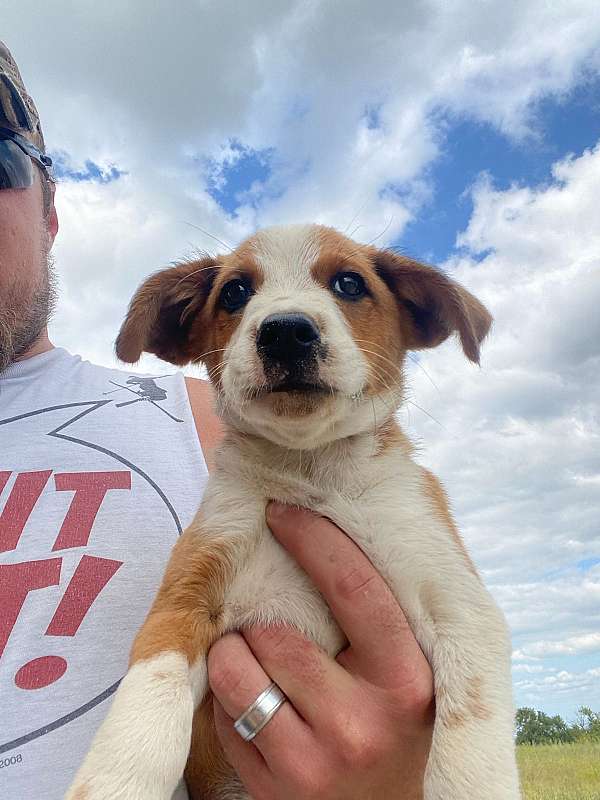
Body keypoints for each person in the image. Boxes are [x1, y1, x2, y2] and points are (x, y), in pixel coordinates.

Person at [0, 40, 434, 800]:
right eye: (238, 296)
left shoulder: (229, 432)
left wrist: (399, 778)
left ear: (49, 209)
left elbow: (409, 670)